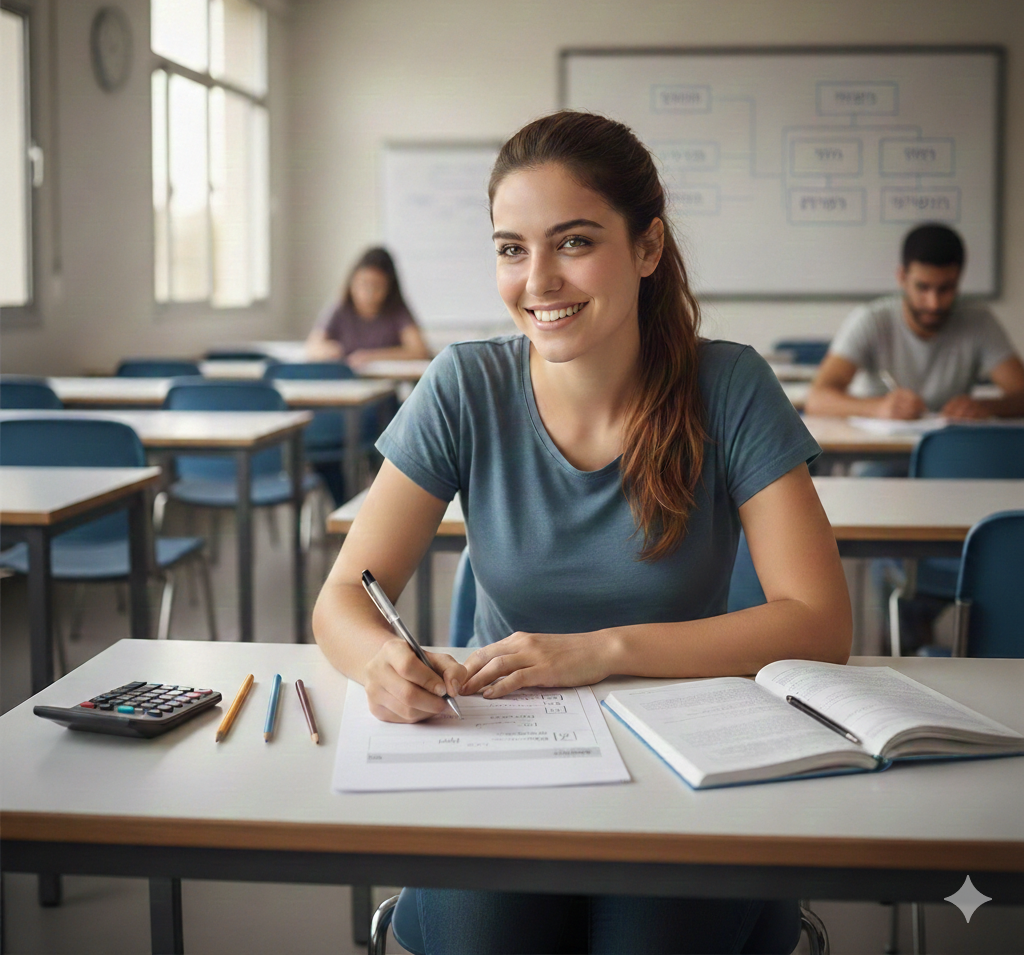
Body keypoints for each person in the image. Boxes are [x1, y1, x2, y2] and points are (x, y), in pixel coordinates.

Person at [312, 112, 852, 954]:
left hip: (693, 755)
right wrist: (376, 663)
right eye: (510, 248)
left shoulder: (731, 385)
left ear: (647, 248)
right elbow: (345, 596)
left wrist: (601, 650)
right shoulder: (464, 384)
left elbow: (819, 623)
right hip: (506, 755)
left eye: (572, 242)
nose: (538, 280)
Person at [806, 224, 1024, 420]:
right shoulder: (871, 320)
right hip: (879, 454)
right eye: (923, 287)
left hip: (948, 452)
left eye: (945, 289)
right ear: (902, 277)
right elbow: (816, 399)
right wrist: (878, 408)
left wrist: (987, 407)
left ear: (958, 282)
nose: (934, 303)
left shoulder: (979, 321)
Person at [306, 246, 431, 370]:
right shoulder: (341, 308)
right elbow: (313, 346)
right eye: (362, 284)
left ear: (389, 288)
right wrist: (328, 351)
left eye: (376, 286)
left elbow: (419, 351)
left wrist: (371, 357)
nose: (368, 293)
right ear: (351, 282)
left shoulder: (397, 311)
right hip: (345, 382)